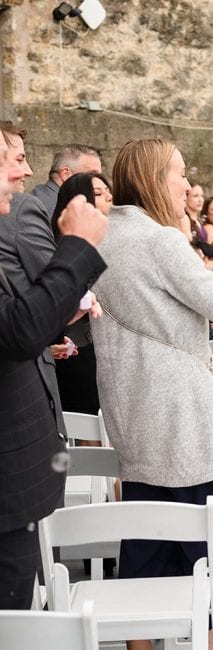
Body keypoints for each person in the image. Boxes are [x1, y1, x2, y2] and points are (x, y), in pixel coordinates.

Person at [90, 139, 213, 650]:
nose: (187, 185)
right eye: (179, 174)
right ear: (151, 179)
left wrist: (202, 274)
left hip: (131, 409)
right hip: (181, 415)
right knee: (205, 544)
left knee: (143, 539)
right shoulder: (161, 239)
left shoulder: (101, 233)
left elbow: (150, 301)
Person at [0, 124, 108, 650]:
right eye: (11, 159)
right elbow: (19, 328)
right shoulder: (26, 217)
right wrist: (79, 247)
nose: (24, 171)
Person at [0, 122, 68, 440]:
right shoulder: (22, 207)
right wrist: (80, 246)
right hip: (24, 389)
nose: (27, 170)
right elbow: (60, 290)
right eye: (19, 158)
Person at [49, 172, 113, 418]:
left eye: (108, 190)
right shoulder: (65, 249)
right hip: (79, 351)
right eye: (98, 193)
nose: (108, 196)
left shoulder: (115, 238)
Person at [29, 143, 103, 220]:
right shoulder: (46, 207)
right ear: (66, 174)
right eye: (92, 174)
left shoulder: (43, 199)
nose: (100, 181)